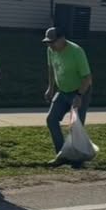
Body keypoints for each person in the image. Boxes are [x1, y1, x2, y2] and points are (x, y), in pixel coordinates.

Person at [43, 26, 93, 167]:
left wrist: (79, 96)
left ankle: (78, 160)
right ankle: (62, 155)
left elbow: (87, 78)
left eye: (52, 42)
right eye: (48, 42)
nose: (50, 45)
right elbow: (51, 68)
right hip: (62, 91)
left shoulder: (76, 52)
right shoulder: (50, 50)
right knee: (51, 119)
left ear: (62, 39)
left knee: (75, 125)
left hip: (80, 91)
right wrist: (51, 87)